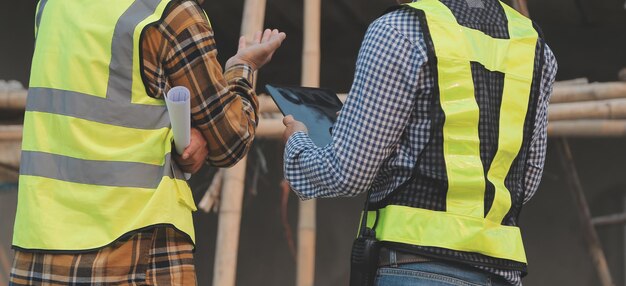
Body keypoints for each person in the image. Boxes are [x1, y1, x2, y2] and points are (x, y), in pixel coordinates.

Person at [10, 0, 285, 284]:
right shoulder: (169, 13)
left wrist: (177, 128)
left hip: (39, 249)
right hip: (134, 250)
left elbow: (100, 101)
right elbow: (230, 138)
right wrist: (243, 67)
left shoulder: (52, 5)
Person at [282, 0, 557, 285]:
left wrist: (298, 145)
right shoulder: (533, 45)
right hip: (500, 274)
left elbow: (348, 171)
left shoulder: (398, 30)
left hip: (416, 268)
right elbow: (525, 182)